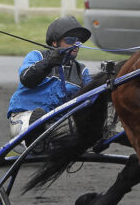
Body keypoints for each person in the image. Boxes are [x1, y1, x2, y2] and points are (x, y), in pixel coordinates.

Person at [7, 16, 92, 147]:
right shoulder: (36, 56)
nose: (75, 45)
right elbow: (27, 79)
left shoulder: (82, 70)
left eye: (78, 41)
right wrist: (49, 63)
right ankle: (41, 144)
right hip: (24, 120)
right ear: (54, 43)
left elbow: (93, 97)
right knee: (39, 117)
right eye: (70, 40)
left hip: (57, 124)